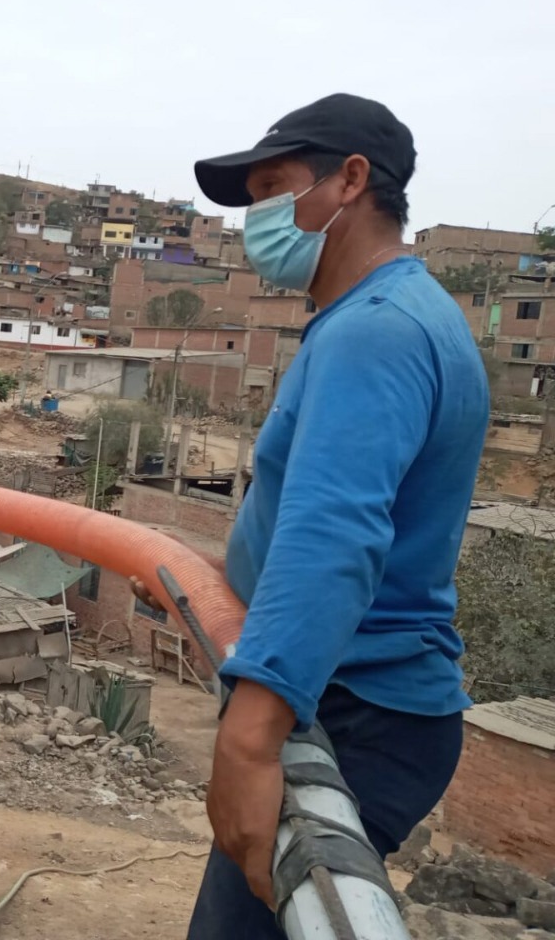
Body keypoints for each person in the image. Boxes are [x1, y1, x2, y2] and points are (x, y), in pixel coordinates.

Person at [141, 94, 488, 938]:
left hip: (356, 709)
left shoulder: (376, 333)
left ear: (351, 182)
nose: (258, 215)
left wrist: (250, 742)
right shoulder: (394, 316)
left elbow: (333, 537)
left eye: (275, 186)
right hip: (351, 696)